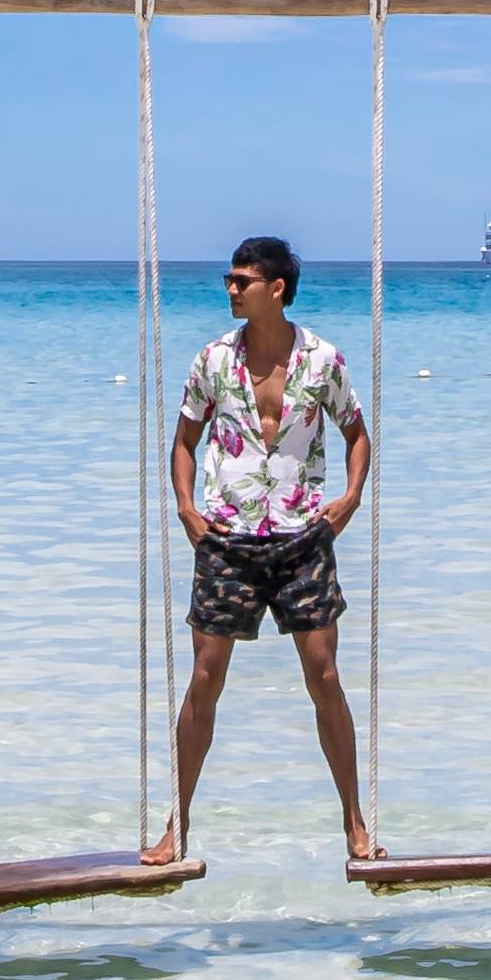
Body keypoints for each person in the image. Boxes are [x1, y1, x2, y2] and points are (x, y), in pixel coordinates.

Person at [143, 233, 376, 867]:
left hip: (303, 537)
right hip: (227, 538)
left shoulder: (323, 359)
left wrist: (351, 498)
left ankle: (355, 823)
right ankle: (177, 825)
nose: (230, 288)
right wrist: (187, 510)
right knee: (204, 679)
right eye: (229, 278)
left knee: (324, 677)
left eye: (242, 280)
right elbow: (184, 441)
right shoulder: (213, 360)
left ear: (276, 289)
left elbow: (357, 431)